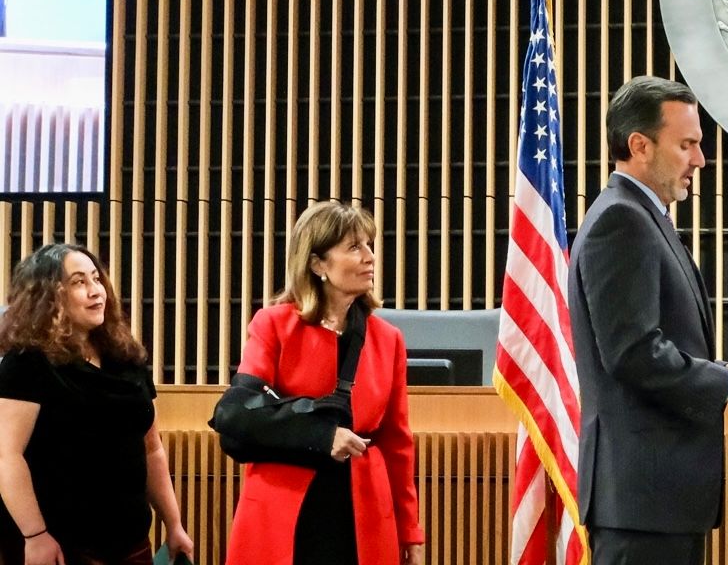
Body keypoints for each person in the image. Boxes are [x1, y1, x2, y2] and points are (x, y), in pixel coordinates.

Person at [569, 76, 728, 565]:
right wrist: (726, 384)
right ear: (639, 145)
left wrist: (725, 371)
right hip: (641, 500)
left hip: (657, 501)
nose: (701, 160)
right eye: (687, 144)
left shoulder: (642, 216)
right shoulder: (621, 222)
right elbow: (633, 352)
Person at [224, 201, 424, 565]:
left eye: (369, 245)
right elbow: (238, 413)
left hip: (363, 512)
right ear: (317, 265)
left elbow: (397, 442)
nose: (370, 257)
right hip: (284, 509)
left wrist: (409, 530)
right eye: (354, 247)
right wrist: (322, 436)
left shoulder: (388, 338)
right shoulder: (273, 325)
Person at [0, 243, 195, 565]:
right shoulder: (26, 364)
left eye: (96, 279)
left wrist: (174, 524)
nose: (95, 291)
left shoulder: (126, 358)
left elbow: (151, 448)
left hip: (129, 538)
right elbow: (7, 456)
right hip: (59, 543)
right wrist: (34, 536)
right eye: (78, 282)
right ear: (48, 296)